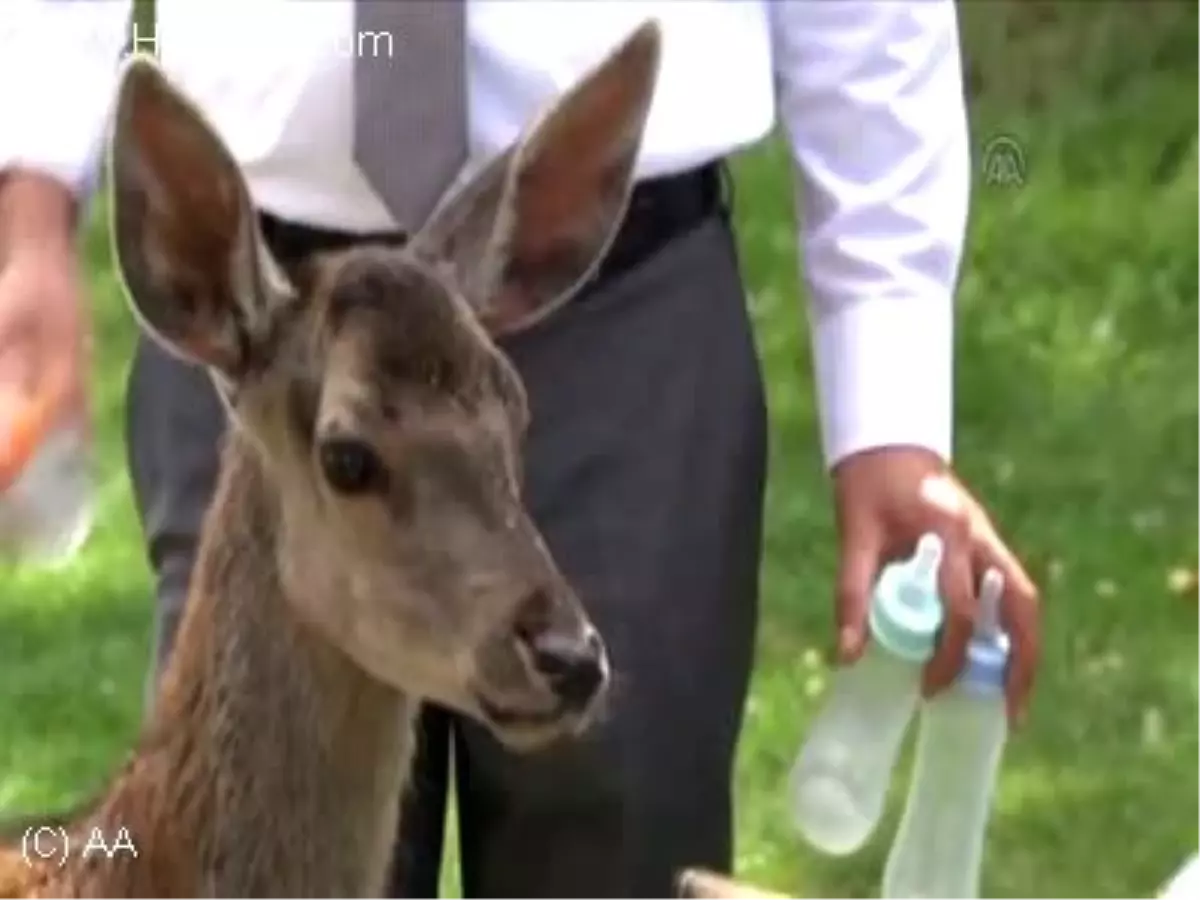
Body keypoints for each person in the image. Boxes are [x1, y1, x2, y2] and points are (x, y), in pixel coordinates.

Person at [0, 2, 1041, 899]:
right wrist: (28, 186)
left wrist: (891, 394)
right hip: (249, 311)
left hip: (613, 296)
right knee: (237, 837)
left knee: (622, 852)